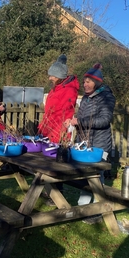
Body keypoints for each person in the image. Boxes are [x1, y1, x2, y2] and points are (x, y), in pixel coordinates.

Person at [66, 63, 115, 224]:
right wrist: (73, 122)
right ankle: (84, 206)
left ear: (97, 83)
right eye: (84, 81)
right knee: (87, 175)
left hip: (99, 143)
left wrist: (80, 121)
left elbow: (104, 120)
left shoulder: (106, 97)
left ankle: (97, 211)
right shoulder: (87, 97)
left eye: (88, 82)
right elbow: (81, 118)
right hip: (85, 143)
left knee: (97, 176)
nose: (85, 84)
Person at [38, 54, 79, 206]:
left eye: (53, 76)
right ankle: (48, 189)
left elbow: (64, 113)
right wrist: (44, 127)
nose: (50, 78)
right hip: (50, 128)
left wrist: (60, 131)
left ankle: (57, 194)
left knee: (57, 163)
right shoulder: (57, 88)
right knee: (47, 162)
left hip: (59, 131)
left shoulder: (69, 90)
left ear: (60, 76)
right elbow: (50, 110)